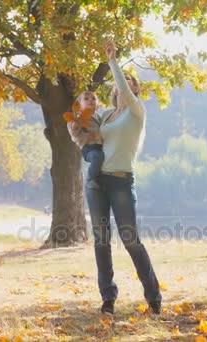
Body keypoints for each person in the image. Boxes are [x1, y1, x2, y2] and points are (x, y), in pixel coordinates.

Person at [85, 41, 162, 316]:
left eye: (129, 83)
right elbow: (85, 136)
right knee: (101, 242)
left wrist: (113, 62)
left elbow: (127, 92)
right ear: (113, 89)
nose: (124, 86)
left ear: (133, 90)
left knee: (131, 241)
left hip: (120, 182)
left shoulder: (136, 112)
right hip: (97, 184)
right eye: (121, 82)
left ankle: (154, 298)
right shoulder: (105, 115)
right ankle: (108, 299)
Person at [67, 91, 104, 189]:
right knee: (97, 157)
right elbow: (74, 132)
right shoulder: (78, 117)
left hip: (101, 146)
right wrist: (75, 125)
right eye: (86, 99)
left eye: (93, 99)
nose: (90, 101)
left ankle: (99, 178)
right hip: (89, 148)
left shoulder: (98, 117)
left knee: (102, 157)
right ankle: (90, 180)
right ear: (79, 104)